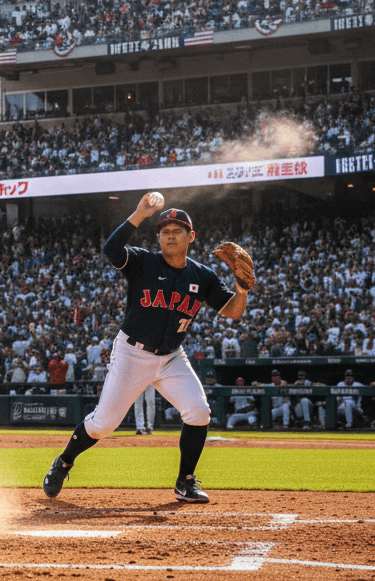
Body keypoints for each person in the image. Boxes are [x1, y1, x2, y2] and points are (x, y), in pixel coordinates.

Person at [42, 194, 249, 504]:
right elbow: (111, 250)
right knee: (103, 424)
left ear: (190, 236)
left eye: (177, 230)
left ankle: (185, 481)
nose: (170, 235)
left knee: (198, 411)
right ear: (158, 237)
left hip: (171, 358)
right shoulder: (143, 262)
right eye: (164, 231)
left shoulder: (202, 276)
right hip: (131, 353)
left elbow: (232, 311)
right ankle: (64, 462)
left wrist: (242, 290)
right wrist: (139, 213)